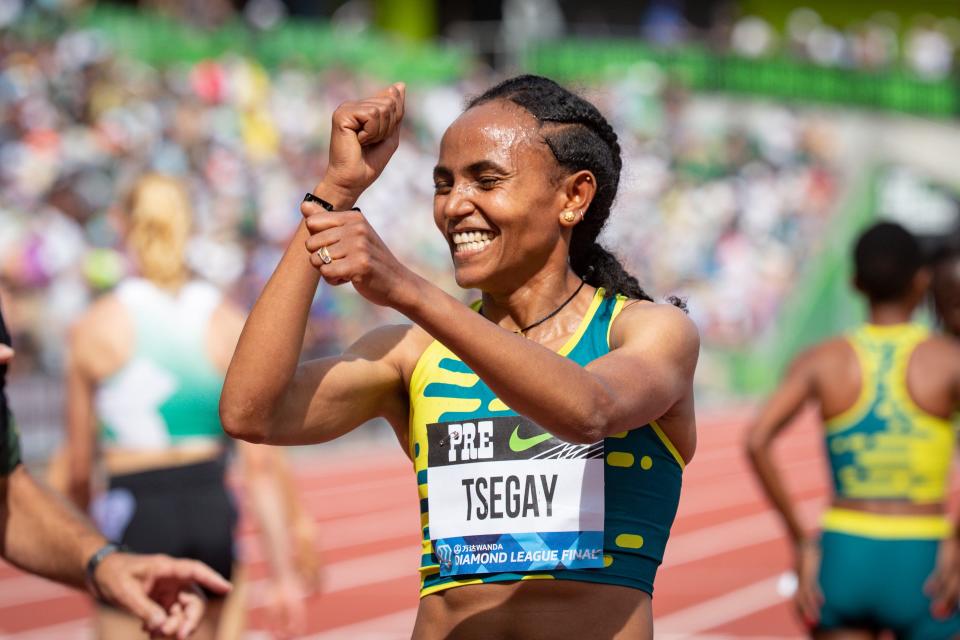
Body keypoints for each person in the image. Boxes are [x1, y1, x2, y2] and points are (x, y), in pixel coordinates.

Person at [220, 75, 699, 639]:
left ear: (573, 197)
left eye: (486, 180)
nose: (454, 206)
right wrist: (335, 192)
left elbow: (588, 411)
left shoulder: (648, 332)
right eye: (442, 184)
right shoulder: (411, 353)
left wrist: (408, 288)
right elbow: (250, 413)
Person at [65, 174, 309, 640]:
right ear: (188, 227)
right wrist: (283, 574)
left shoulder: (95, 327)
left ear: (123, 226)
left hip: (133, 507)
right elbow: (259, 467)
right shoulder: (228, 322)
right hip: (209, 506)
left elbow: (78, 470)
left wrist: (86, 556)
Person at [745, 222, 960, 639]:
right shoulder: (947, 360)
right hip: (924, 556)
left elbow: (757, 439)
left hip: (844, 553)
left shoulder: (822, 360)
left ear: (855, 283)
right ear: (922, 280)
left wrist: (802, 542)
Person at [0, 300, 231, 640]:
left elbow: (8, 492)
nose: (7, 354)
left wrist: (103, 562)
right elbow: (261, 459)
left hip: (136, 504)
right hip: (212, 499)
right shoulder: (224, 316)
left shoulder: (96, 324)